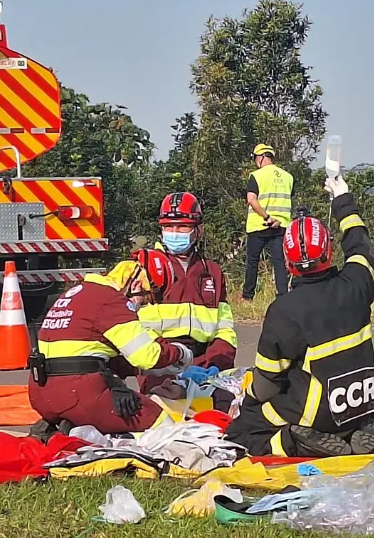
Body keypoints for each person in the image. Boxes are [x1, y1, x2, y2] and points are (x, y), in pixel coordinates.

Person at [225, 173, 374, 457]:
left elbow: (268, 382)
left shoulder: (284, 310)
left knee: (240, 431)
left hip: (316, 412)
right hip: (362, 404)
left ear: (287, 261)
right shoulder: (358, 283)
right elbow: (360, 243)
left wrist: (248, 401)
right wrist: (342, 199)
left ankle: (293, 442)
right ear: (329, 251)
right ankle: (359, 427)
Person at [29, 260, 193, 435]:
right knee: (161, 423)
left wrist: (145, 371)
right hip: (77, 394)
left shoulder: (79, 293)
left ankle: (72, 431)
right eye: (144, 300)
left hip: (41, 391)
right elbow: (146, 356)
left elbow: (92, 353)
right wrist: (179, 353)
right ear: (136, 284)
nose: (140, 307)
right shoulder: (112, 300)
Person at [136, 192, 237, 393]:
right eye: (168, 227)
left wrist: (214, 363)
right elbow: (134, 330)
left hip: (205, 367)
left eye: (183, 226)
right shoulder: (143, 268)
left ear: (198, 229)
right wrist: (173, 368)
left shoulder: (213, 272)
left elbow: (225, 330)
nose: (175, 232)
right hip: (160, 369)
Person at [241, 143, 294, 300]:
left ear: (261, 157)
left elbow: (251, 200)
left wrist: (266, 217)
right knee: (279, 263)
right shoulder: (288, 177)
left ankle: (248, 296)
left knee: (252, 262)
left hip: (259, 225)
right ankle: (283, 297)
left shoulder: (256, 176)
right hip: (280, 227)